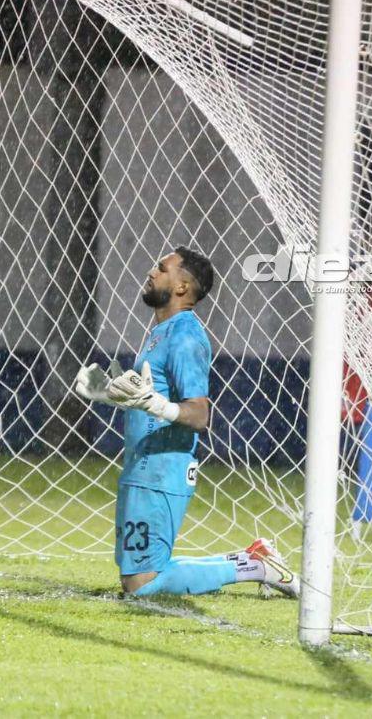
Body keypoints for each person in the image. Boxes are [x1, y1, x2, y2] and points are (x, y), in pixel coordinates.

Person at [74, 246, 299, 598]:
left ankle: (255, 566)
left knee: (143, 583)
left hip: (162, 468)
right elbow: (150, 401)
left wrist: (155, 404)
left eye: (162, 268)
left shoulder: (185, 335)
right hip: (143, 464)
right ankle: (252, 558)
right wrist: (110, 395)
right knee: (137, 574)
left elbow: (198, 414)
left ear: (182, 287)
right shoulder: (162, 331)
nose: (151, 272)